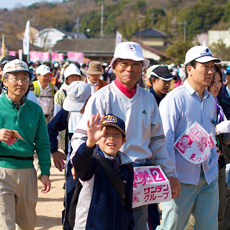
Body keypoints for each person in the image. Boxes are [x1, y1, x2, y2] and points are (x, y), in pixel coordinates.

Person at [71, 41, 180, 229]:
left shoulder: (148, 99)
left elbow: (157, 141)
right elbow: (82, 135)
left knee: (137, 223)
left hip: (140, 174)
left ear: (142, 68)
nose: (130, 69)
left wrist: (170, 172)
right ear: (114, 66)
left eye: (136, 64)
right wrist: (78, 159)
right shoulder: (101, 97)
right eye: (124, 63)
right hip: (106, 171)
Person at [157, 46, 222, 230]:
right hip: (181, 178)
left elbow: (209, 133)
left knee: (209, 226)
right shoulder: (174, 99)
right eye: (205, 66)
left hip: (208, 177)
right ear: (189, 69)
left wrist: (213, 161)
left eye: (212, 67)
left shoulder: (210, 100)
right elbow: (165, 140)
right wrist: (170, 175)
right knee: (173, 226)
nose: (210, 71)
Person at [0, 59, 51, 229]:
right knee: (5, 224)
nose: (20, 82)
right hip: (2, 171)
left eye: (25, 78)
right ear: (5, 81)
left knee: (28, 224)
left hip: (28, 172)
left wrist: (45, 171)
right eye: (15, 78)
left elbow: (43, 143)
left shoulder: (35, 110)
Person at [72, 113, 134, 229]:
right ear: (97, 139)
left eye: (116, 134)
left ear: (123, 141)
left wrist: (129, 225)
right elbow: (79, 163)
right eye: (105, 134)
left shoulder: (127, 166)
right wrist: (88, 144)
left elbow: (128, 203)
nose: (111, 138)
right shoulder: (93, 162)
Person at [48, 81, 91, 230]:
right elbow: (50, 129)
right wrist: (54, 151)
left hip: (97, 166)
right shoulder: (67, 113)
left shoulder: (103, 109)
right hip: (73, 166)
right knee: (71, 201)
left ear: (90, 98)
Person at [147, 65, 176, 229]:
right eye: (163, 81)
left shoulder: (170, 99)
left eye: (169, 81)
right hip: (149, 158)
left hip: (164, 155)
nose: (167, 84)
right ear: (153, 81)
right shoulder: (147, 100)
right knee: (150, 202)